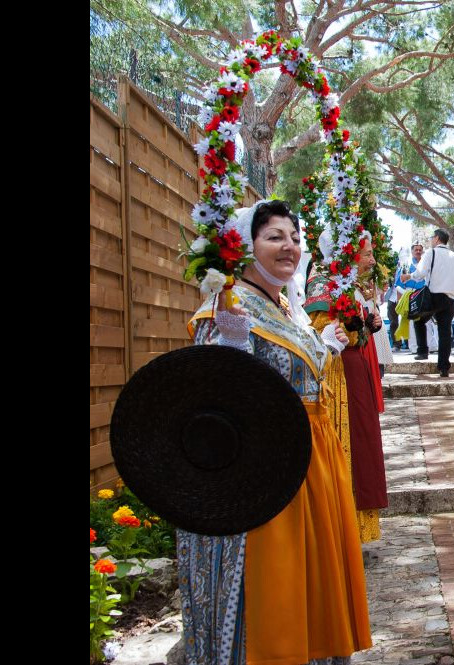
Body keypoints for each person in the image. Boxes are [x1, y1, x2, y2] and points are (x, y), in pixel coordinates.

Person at [182, 199, 371, 663]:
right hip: (267, 471)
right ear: (246, 248)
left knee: (309, 585)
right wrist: (232, 350)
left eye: (294, 237)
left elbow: (297, 374)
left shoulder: (283, 304)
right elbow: (213, 400)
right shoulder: (228, 308)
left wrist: (324, 348)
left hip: (311, 464)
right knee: (275, 589)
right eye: (274, 237)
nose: (289, 247)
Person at [304, 230, 388, 544]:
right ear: (349, 255)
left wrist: (367, 325)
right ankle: (339, 529)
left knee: (361, 442)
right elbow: (320, 329)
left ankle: (356, 529)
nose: (372, 260)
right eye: (366, 253)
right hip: (336, 374)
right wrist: (350, 329)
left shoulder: (349, 285)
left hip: (353, 369)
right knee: (344, 444)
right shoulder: (322, 285)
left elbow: (354, 327)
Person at [411, 228, 454, 377]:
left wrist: (409, 276)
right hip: (450, 299)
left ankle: (423, 351)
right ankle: (444, 367)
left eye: (432, 237)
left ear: (437, 238)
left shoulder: (431, 253)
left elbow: (420, 273)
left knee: (418, 320)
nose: (431, 240)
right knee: (445, 332)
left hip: (433, 297)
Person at [397, 243, 439, 355]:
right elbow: (399, 284)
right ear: (412, 251)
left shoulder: (427, 263)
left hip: (425, 293)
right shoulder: (406, 265)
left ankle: (431, 345)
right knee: (412, 321)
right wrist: (400, 301)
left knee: (428, 320)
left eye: (420, 250)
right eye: (416, 249)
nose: (418, 251)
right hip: (410, 294)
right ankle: (414, 347)